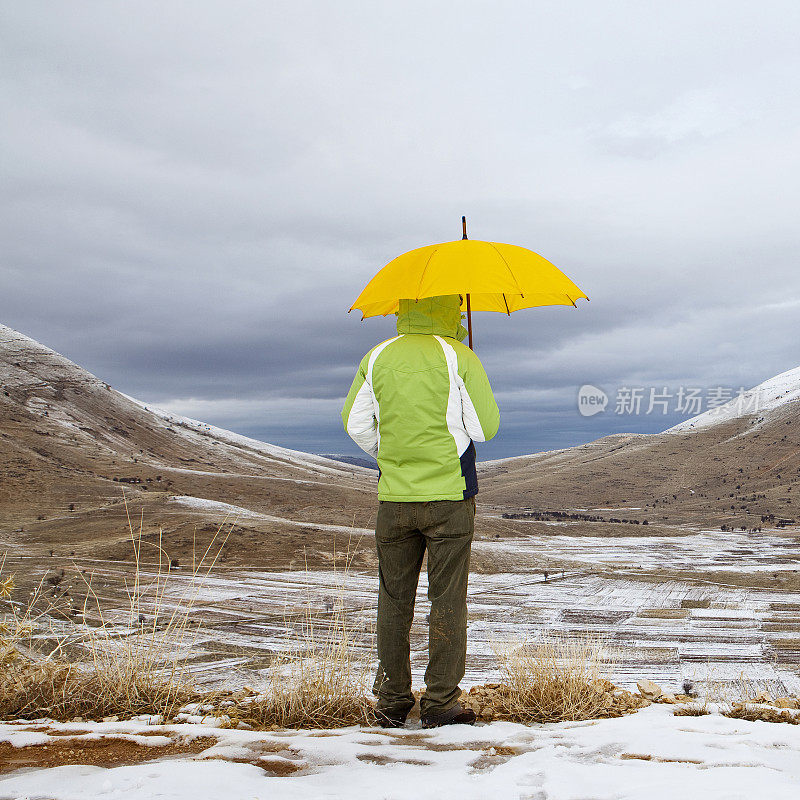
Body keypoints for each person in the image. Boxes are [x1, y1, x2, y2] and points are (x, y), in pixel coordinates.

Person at [341, 294, 499, 728]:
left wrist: (390, 458)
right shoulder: (459, 355)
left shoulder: (376, 356)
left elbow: (354, 423)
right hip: (450, 498)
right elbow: (485, 428)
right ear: (452, 310)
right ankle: (440, 703)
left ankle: (391, 702)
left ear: (403, 309)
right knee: (447, 600)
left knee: (393, 601)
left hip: (393, 499)